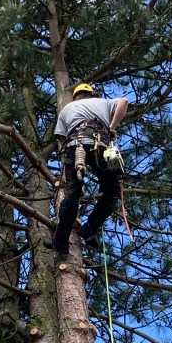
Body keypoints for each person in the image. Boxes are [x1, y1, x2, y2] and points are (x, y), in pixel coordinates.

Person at [50, 82, 129, 254]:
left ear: (75, 96)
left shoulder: (66, 109)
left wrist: (70, 157)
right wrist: (112, 127)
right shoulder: (101, 103)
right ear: (90, 94)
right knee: (112, 190)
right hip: (99, 146)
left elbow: (61, 139)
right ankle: (88, 229)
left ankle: (61, 240)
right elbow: (123, 101)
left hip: (74, 145)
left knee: (73, 192)